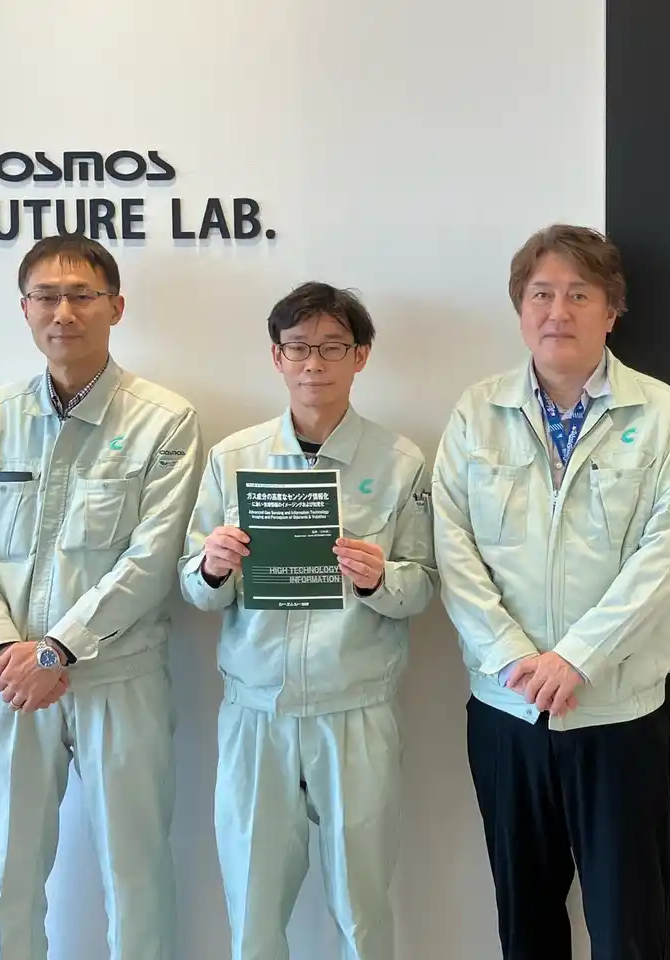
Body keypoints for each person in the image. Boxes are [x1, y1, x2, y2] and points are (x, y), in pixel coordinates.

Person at [431, 224, 670, 960]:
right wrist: (512, 657)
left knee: (628, 926)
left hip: (617, 712)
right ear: (520, 308)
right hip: (507, 709)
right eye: (541, 294)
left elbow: (666, 553)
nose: (558, 311)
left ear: (612, 310)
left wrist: (579, 657)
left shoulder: (658, 412)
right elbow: (452, 545)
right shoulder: (477, 412)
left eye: (579, 294)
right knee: (525, 925)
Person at [0, 235, 203, 960]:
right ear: (24, 309)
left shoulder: (164, 419)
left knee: (135, 874)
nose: (64, 312)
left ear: (116, 307)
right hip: (9, 682)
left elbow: (152, 557)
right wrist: (7, 650)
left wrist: (58, 650)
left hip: (119, 679)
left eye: (82, 295)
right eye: (47, 297)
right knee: (5, 877)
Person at [179, 281, 437, 960]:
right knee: (253, 910)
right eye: (297, 348)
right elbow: (194, 589)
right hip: (255, 714)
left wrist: (381, 578)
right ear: (277, 356)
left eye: (332, 348)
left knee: (362, 911)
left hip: (355, 711)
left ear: (361, 356)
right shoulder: (234, 458)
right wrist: (212, 567)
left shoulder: (399, 461)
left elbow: (424, 586)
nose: (314, 363)